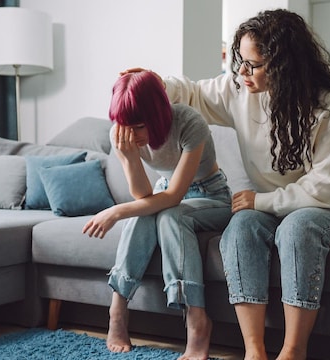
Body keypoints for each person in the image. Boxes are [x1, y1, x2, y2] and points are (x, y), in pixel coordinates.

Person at [122, 9, 330, 360]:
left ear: (284, 66)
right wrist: (157, 85)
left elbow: (328, 187)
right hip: (272, 205)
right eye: (240, 60)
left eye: (252, 64)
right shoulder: (239, 89)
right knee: (240, 229)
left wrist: (262, 201)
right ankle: (254, 351)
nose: (241, 71)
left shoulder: (325, 106)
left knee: (297, 228)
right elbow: (191, 93)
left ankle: (293, 351)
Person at [82, 70, 232, 360]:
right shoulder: (122, 134)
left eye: (139, 127)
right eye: (126, 127)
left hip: (210, 195)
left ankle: (198, 321)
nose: (133, 136)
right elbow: (142, 194)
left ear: (158, 114)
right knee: (145, 214)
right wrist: (127, 157)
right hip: (165, 192)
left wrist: (115, 211)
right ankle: (117, 311)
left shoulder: (189, 123)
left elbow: (174, 197)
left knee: (170, 215)